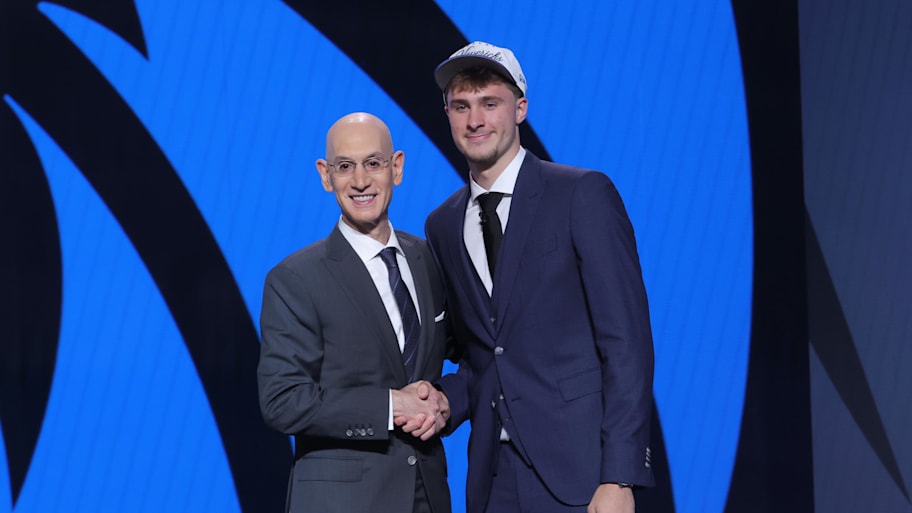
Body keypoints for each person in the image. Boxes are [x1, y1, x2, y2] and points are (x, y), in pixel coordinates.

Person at [425, 42, 656, 513]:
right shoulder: (443, 224)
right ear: (447, 114)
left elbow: (626, 342)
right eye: (461, 106)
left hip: (582, 477)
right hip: (492, 480)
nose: (475, 121)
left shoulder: (580, 194)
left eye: (490, 104)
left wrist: (620, 476)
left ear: (520, 109)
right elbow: (483, 354)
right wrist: (443, 399)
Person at [257, 112, 452, 513]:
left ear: (396, 168)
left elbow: (461, 357)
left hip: (427, 495)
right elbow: (282, 399)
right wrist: (389, 407)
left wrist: (444, 403)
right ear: (326, 175)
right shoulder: (296, 278)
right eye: (345, 167)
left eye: (373, 163)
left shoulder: (427, 260)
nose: (360, 181)